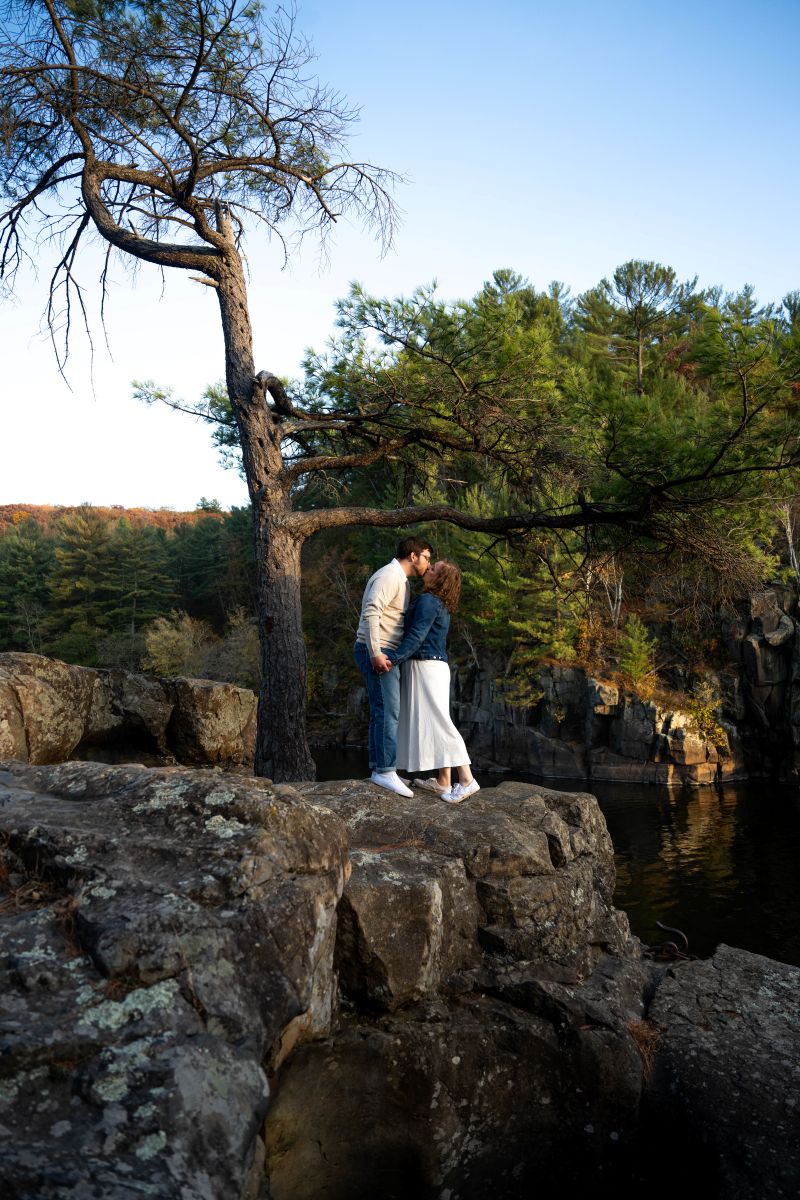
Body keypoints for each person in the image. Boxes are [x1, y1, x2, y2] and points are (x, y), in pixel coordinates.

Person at [386, 559, 479, 804]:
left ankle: (467, 780)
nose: (428, 569)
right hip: (431, 666)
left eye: (433, 569)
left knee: (440, 723)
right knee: (438, 720)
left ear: (439, 579)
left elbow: (416, 636)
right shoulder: (437, 602)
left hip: (426, 666)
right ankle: (443, 781)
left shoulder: (429, 601)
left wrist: (394, 658)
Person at [353, 536, 433, 796]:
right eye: (427, 558)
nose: (428, 564)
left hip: (384, 649)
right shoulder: (389, 576)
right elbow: (372, 611)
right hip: (377, 649)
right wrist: (375, 652)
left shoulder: (401, 581)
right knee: (389, 710)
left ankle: (381, 768)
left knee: (382, 710)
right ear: (413, 556)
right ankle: (386, 771)